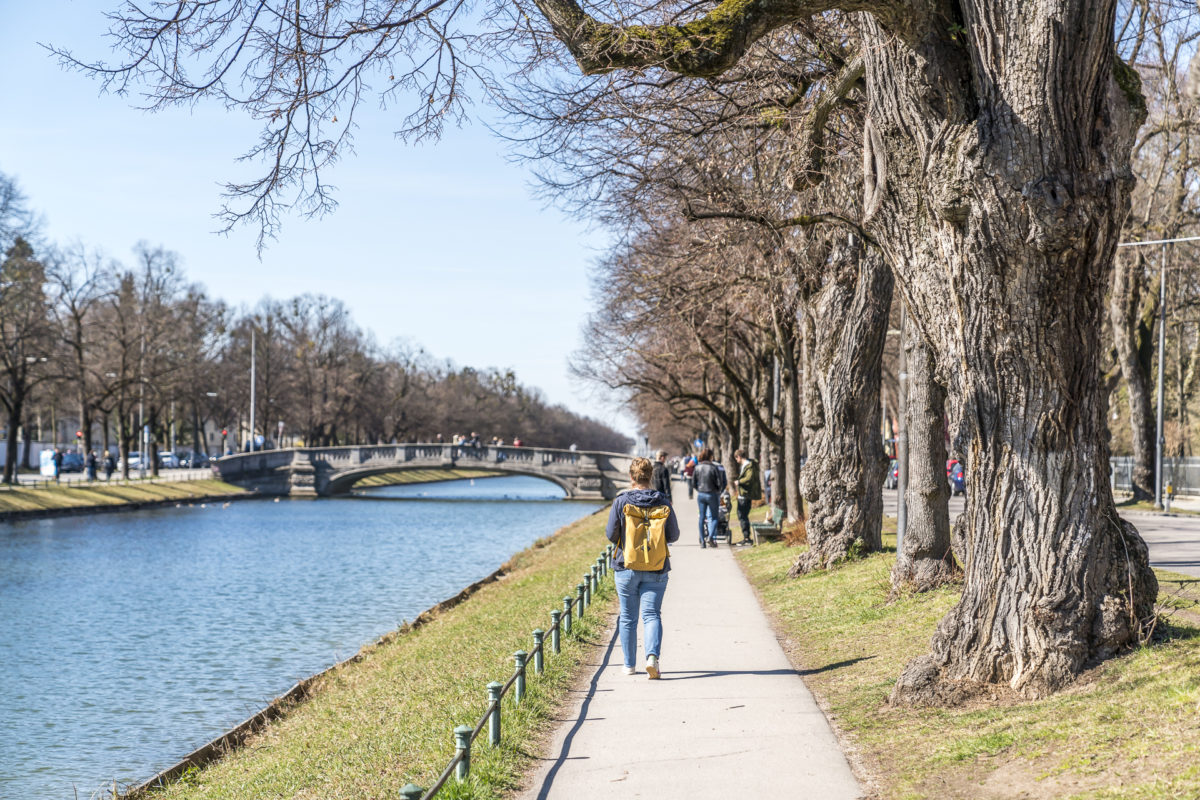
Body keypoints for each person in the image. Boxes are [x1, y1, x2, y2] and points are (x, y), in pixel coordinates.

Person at [606, 456, 679, 678]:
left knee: (628, 617)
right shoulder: (663, 501)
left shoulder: (621, 501)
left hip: (626, 566)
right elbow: (674, 535)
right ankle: (652, 658)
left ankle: (629, 665)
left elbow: (611, 534)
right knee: (652, 614)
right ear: (650, 476)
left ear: (631, 477)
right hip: (656, 568)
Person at [692, 448, 726, 548]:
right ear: (711, 456)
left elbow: (693, 482)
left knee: (702, 518)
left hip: (701, 494)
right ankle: (711, 537)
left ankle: (702, 541)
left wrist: (699, 489)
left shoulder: (698, 467)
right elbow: (719, 483)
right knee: (714, 517)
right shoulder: (713, 467)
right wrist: (717, 491)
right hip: (712, 494)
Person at [731, 449, 762, 546]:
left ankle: (747, 538)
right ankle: (746, 537)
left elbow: (749, 478)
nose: (736, 461)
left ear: (739, 457)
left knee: (742, 516)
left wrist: (739, 482)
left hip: (745, 495)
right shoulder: (746, 465)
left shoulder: (749, 466)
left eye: (736, 458)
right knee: (742, 516)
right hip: (743, 495)